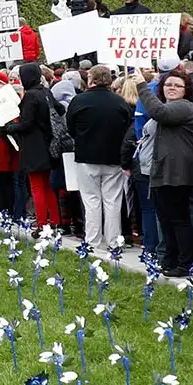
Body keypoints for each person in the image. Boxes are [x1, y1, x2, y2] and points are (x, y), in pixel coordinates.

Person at [136, 68, 193, 278]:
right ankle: (170, 260)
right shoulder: (168, 106)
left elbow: (159, 113)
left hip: (178, 173)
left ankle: (185, 263)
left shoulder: (184, 107)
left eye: (177, 85)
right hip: (163, 172)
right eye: (168, 85)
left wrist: (141, 86)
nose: (172, 88)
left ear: (186, 90)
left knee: (179, 219)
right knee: (166, 219)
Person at [66, 66, 134, 250]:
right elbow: (128, 127)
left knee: (91, 201)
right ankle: (113, 241)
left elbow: (70, 127)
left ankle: (93, 240)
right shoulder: (120, 102)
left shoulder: (79, 100)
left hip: (86, 156)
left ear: (90, 79)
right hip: (113, 157)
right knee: (113, 201)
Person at [5, 62, 59, 228]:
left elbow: (26, 123)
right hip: (48, 143)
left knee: (36, 186)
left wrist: (9, 128)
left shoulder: (31, 96)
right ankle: (56, 220)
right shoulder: (47, 92)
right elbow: (60, 110)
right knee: (47, 185)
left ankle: (42, 222)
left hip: (33, 145)